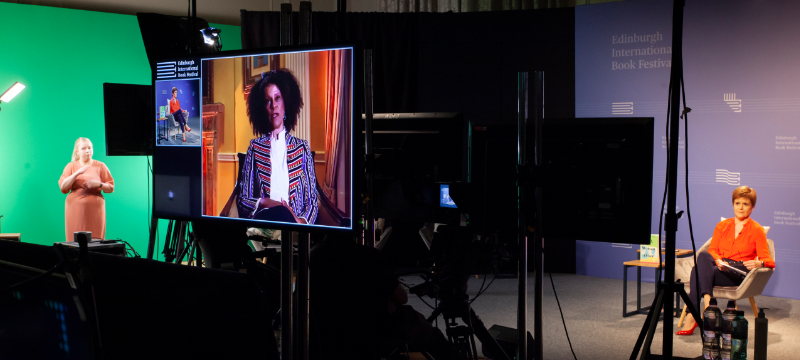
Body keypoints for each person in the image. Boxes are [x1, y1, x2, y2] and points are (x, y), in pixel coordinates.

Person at [309, 233, 456, 360]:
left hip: (330, 334)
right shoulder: (367, 255)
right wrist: (389, 297)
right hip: (375, 328)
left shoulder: (313, 255)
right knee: (426, 330)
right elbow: (402, 297)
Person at [676, 186, 775, 335]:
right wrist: (719, 261)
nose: (740, 207)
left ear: (752, 207)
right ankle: (708, 306)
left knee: (697, 271)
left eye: (745, 204)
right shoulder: (722, 226)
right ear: (733, 204)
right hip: (719, 266)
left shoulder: (757, 230)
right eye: (737, 203)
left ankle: (694, 314)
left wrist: (759, 263)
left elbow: (770, 261)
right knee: (703, 257)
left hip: (738, 272)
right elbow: (712, 251)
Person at [236, 69, 318, 224]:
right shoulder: (254, 148)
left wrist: (300, 221)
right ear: (263, 108)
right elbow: (243, 200)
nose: (273, 105)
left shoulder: (302, 148)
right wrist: (263, 202)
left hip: (294, 229)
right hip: (263, 226)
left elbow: (312, 201)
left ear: (286, 103)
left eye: (277, 98)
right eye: (268, 101)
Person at [59, 137, 115, 242]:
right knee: (75, 241)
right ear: (77, 151)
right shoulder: (70, 166)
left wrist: (99, 184)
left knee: (96, 240)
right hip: (75, 209)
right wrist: (77, 173)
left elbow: (110, 188)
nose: (88, 151)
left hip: (96, 210)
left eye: (90, 148)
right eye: (84, 148)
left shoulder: (100, 166)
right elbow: (63, 187)